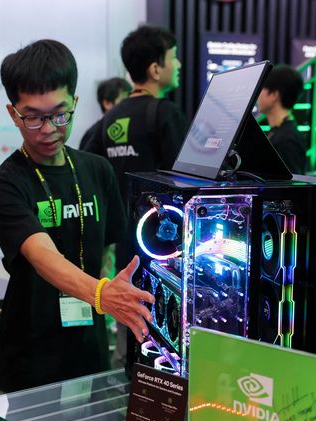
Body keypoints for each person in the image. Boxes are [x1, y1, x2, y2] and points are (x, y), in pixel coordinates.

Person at [0, 39, 154, 393]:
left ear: (75, 102)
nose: (48, 128)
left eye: (60, 114)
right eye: (32, 117)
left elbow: (106, 251)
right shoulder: (7, 183)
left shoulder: (98, 170)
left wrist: (107, 296)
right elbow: (42, 255)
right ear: (12, 113)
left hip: (89, 349)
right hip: (30, 355)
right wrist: (101, 294)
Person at [84, 25, 187, 368]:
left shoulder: (108, 120)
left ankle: (133, 388)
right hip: (168, 247)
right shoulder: (166, 114)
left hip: (126, 246)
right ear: (156, 68)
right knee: (168, 331)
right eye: (173, 58)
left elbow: (90, 174)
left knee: (132, 325)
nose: (179, 65)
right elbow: (186, 181)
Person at [257, 64, 307, 174]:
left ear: (274, 95)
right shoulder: (279, 132)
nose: (258, 95)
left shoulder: (287, 139)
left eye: (262, 89)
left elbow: (291, 186)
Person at [78, 77, 131, 150]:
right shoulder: (93, 134)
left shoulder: (129, 129)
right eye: (124, 101)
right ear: (107, 103)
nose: (129, 106)